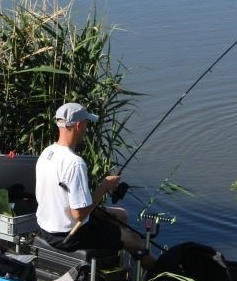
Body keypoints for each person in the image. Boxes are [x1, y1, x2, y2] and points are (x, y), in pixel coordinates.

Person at [35, 102, 156, 270]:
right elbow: (79, 214)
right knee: (135, 241)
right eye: (86, 124)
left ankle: (112, 269)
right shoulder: (75, 163)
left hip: (47, 228)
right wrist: (104, 186)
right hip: (69, 235)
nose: (86, 129)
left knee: (121, 215)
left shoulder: (47, 153)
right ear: (78, 125)